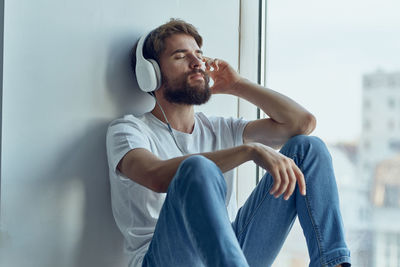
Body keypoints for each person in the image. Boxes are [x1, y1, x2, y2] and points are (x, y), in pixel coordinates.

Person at [106, 18, 351, 267]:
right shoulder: (128, 130)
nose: (197, 63)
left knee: (308, 149)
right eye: (181, 56)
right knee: (197, 168)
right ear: (152, 74)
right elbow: (155, 176)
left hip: (228, 255)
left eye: (199, 54)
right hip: (165, 259)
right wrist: (249, 151)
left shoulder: (219, 128)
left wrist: (237, 85)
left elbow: (302, 123)